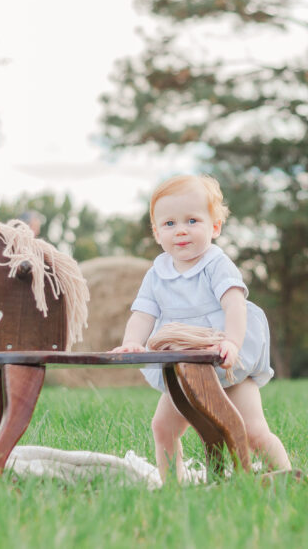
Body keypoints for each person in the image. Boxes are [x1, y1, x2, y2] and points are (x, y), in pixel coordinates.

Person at [112, 174, 292, 481]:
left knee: (252, 430)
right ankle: (173, 486)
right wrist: (132, 342)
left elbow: (234, 304)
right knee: (162, 427)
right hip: (184, 367)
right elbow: (143, 313)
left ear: (215, 227)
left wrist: (232, 343)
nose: (181, 230)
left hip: (224, 362)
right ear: (157, 233)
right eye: (169, 224)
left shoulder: (215, 264)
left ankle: (286, 475)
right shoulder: (158, 273)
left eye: (192, 220)